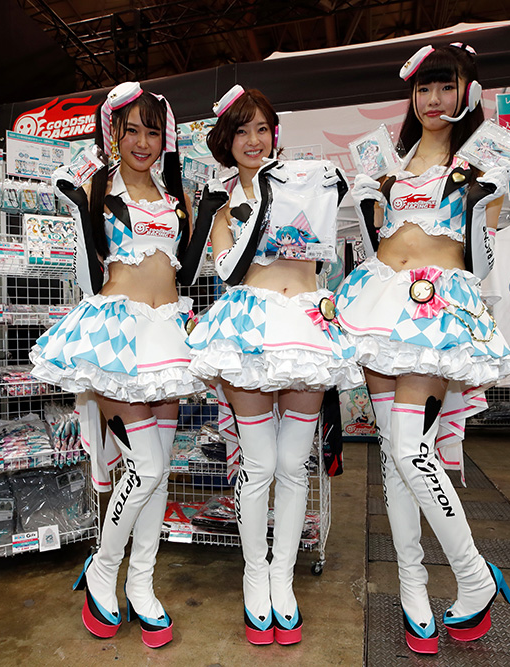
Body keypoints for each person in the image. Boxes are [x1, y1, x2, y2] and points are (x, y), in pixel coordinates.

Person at [335, 43, 510, 654]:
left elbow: (481, 263)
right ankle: (411, 587)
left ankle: (473, 575)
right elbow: (373, 245)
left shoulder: (482, 163)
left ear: (469, 92)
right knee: (393, 455)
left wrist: (481, 203)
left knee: (413, 452)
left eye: (445, 87)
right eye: (423, 88)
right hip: (379, 303)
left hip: (434, 309)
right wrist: (365, 204)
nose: (433, 100)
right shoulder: (390, 163)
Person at [30, 81, 210, 649]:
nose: (142, 142)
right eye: (131, 130)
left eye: (152, 131)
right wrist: (75, 200)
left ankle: (142, 583)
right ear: (113, 133)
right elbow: (89, 269)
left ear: (165, 137)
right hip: (117, 338)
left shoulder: (175, 197)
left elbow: (185, 270)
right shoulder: (96, 188)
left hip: (168, 336)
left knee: (157, 473)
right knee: (146, 467)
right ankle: (104, 569)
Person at [187, 84, 362, 646]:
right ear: (226, 139)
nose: (254, 140)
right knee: (259, 464)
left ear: (275, 134)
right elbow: (226, 270)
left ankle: (283, 579)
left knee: (292, 465)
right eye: (242, 130)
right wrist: (262, 204)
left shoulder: (308, 184)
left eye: (262, 128)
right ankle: (254, 577)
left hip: (305, 327)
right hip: (251, 330)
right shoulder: (220, 203)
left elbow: (325, 253)